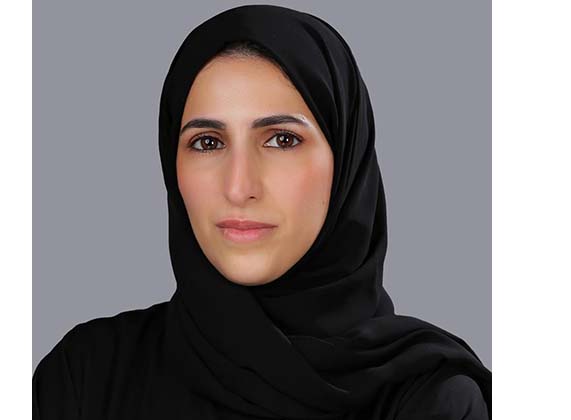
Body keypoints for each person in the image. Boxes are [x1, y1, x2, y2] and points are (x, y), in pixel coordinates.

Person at [33, 4, 492, 419]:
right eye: (207, 143)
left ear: (347, 163)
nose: (239, 187)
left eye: (282, 140)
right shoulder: (88, 375)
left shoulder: (428, 400)